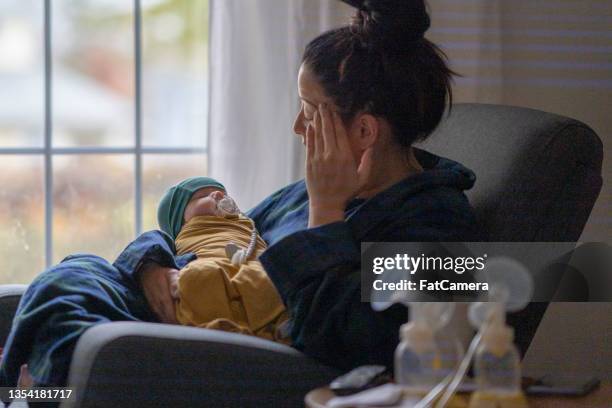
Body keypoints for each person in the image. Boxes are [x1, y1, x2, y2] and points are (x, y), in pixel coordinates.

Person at [0, 0, 542, 391]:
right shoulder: (298, 195)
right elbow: (217, 234)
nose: (297, 127)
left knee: (81, 335)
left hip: (255, 364)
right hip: (177, 309)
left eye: (310, 112)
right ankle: (44, 391)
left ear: (365, 132)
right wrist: (149, 263)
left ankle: (45, 393)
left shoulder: (430, 224)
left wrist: (327, 216)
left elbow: (345, 339)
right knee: (68, 278)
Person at [156, 176, 288, 342]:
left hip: (253, 267)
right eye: (204, 195)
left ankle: (277, 329)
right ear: (179, 218)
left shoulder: (247, 223)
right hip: (213, 266)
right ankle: (221, 329)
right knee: (196, 277)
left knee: (273, 278)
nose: (219, 195)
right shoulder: (181, 237)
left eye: (224, 194)